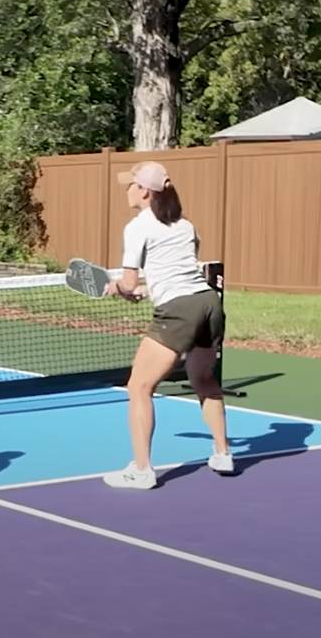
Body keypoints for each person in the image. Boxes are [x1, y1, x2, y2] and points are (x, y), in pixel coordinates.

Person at [102, 161, 233, 489]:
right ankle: (223, 452)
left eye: (131, 185)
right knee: (203, 378)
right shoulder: (186, 226)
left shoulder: (137, 226)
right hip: (208, 303)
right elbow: (180, 272)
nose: (127, 190)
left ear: (144, 191)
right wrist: (147, 292)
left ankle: (142, 470)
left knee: (139, 387)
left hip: (180, 311)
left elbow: (128, 282)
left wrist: (115, 287)